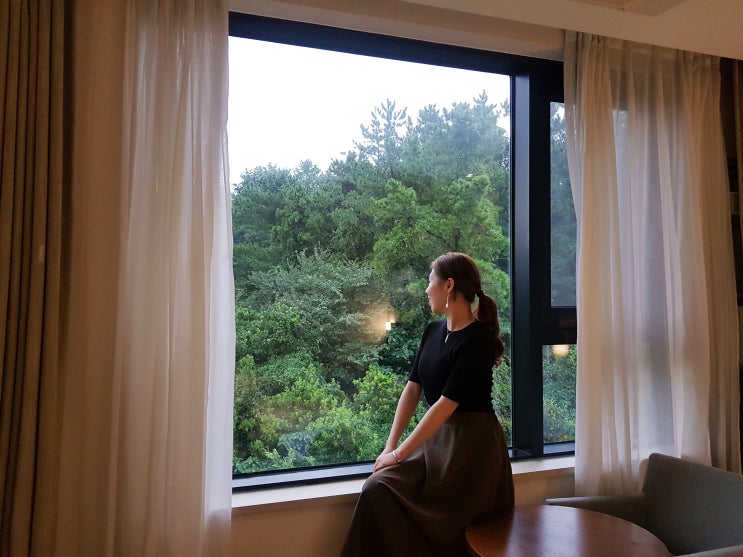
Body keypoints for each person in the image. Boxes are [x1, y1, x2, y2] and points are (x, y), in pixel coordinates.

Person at [340, 252, 514, 557]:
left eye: (430, 280)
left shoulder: (478, 340)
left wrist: (399, 454)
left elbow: (445, 405)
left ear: (449, 285)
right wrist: (389, 446)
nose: (426, 289)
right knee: (377, 487)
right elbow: (412, 390)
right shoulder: (433, 332)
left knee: (451, 527)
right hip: (436, 440)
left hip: (471, 448)